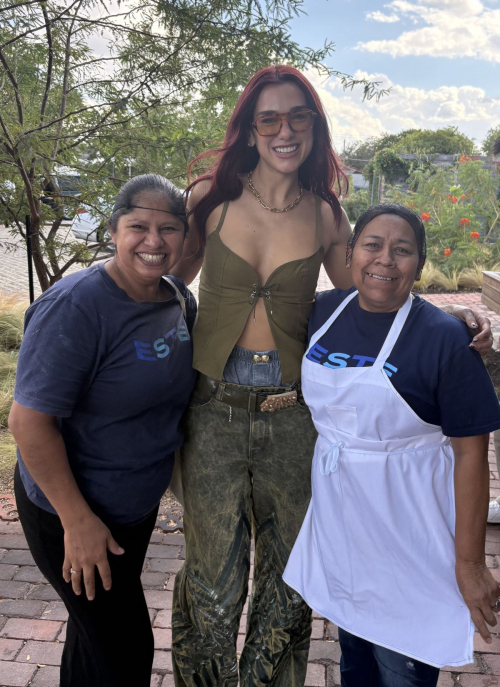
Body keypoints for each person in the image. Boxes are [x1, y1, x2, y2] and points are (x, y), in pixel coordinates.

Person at [169, 66, 493, 687]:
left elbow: (373, 295)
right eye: (270, 118)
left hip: (294, 415)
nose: (284, 130)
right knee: (211, 580)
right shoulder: (210, 198)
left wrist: (457, 319)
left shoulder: (324, 214)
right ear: (250, 128)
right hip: (213, 408)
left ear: (315, 127)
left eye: (299, 117)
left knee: (287, 581)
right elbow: (162, 284)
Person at [283, 203, 500, 686]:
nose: (385, 259)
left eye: (402, 251)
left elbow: (471, 455)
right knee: (355, 655)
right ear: (350, 253)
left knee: (400, 665)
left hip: (409, 527)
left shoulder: (445, 339)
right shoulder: (321, 311)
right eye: (372, 245)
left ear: (418, 266)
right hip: (342, 519)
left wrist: (470, 563)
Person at [8, 174, 197, 687]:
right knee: (125, 651)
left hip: (132, 510)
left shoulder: (176, 299)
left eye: (169, 228)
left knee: (93, 644)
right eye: (139, 226)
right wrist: (79, 522)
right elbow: (28, 423)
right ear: (114, 230)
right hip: (73, 514)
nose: (154, 241)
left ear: (185, 237)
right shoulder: (77, 306)